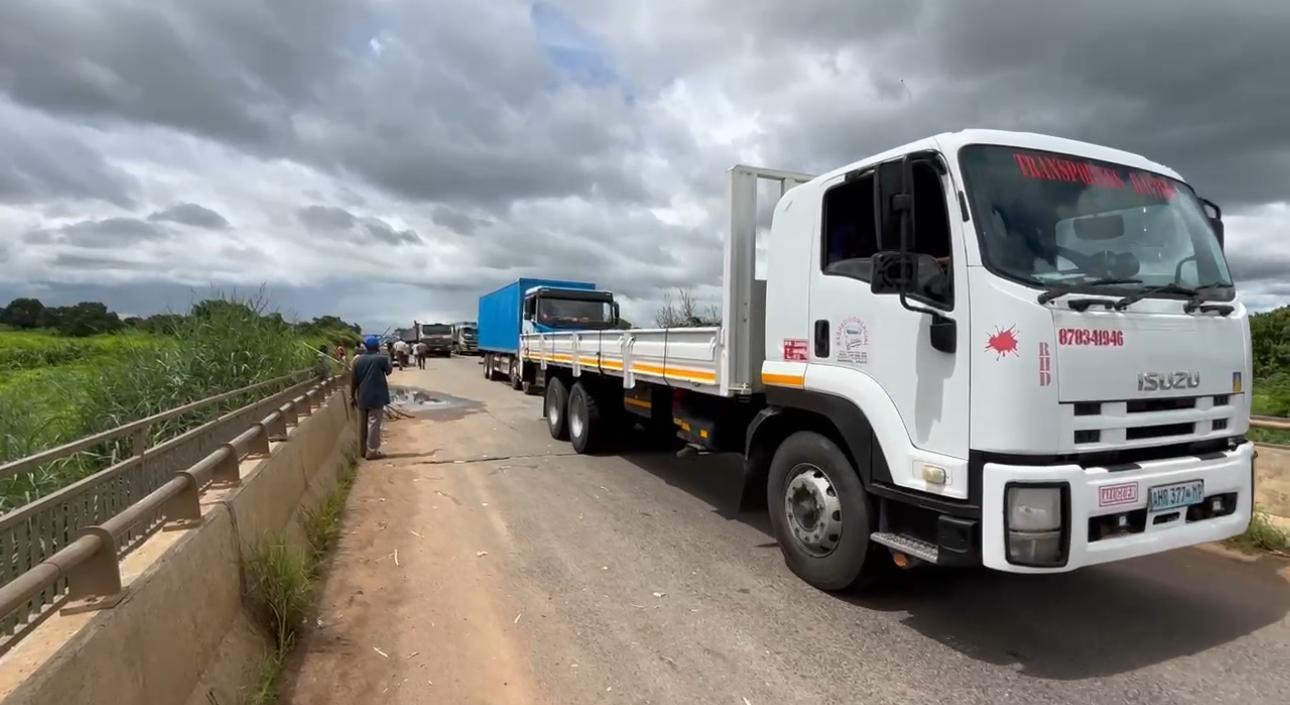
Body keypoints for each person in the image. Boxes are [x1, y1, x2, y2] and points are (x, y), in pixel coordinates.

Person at [351, 335, 392, 460]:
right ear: (377, 346)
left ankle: (362, 451)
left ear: (365, 346)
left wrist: (352, 396)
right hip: (376, 396)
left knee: (362, 424)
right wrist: (388, 355)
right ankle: (372, 451)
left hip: (362, 395)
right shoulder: (381, 358)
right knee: (374, 423)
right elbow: (389, 371)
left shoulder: (357, 360)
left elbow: (354, 380)